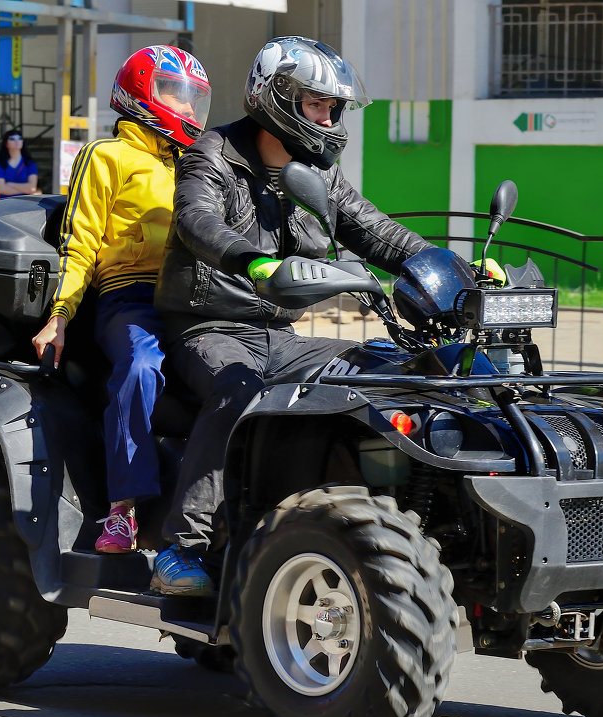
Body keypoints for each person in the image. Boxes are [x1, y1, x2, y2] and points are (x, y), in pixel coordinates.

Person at [150, 37, 433, 595]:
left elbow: (375, 230)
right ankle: (180, 549)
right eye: (317, 104)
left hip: (279, 333)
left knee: (382, 372)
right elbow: (196, 221)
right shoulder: (214, 154)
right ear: (276, 97)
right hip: (207, 327)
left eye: (333, 107)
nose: (329, 118)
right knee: (240, 390)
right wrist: (249, 260)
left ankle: (364, 523)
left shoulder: (317, 174)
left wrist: (451, 268)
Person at [31, 45, 211, 554]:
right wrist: (60, 317)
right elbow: (79, 240)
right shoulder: (106, 156)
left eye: (194, 98)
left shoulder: (193, 166)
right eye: (176, 94)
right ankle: (123, 511)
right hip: (129, 298)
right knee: (139, 367)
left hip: (197, 301)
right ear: (140, 94)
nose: (190, 110)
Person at [0, 129, 41, 197]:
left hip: (25, 204)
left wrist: (10, 184)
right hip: (5, 204)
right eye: (12, 139)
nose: (17, 141)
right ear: (6, 143)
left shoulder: (30, 164)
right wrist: (25, 189)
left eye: (20, 138)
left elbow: (32, 188)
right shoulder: (0, 165)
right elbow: (1, 189)